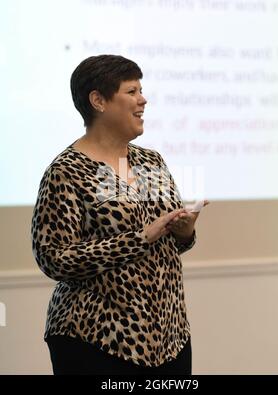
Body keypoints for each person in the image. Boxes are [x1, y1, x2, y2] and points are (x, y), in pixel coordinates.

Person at [31, 54, 208, 375]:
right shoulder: (67, 171)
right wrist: (138, 239)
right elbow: (53, 258)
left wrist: (183, 232)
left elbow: (167, 243)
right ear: (98, 100)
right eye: (131, 91)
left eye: (141, 90)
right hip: (95, 337)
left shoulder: (150, 162)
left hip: (169, 338)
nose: (143, 100)